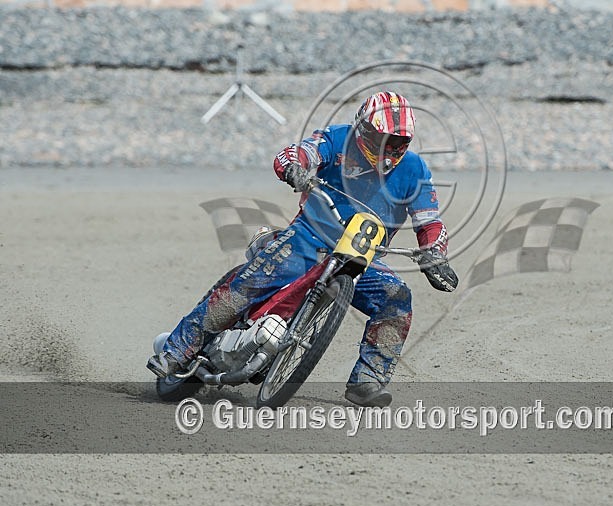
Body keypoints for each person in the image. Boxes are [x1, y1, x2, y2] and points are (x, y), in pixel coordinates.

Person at [147, 91, 458, 406]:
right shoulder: (337, 139)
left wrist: (434, 254)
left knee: (397, 298)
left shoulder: (415, 170)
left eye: (398, 143)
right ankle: (176, 351)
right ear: (363, 129)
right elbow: (299, 153)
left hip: (363, 260)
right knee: (243, 288)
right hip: (308, 238)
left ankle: (368, 381)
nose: (389, 150)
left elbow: (429, 220)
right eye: (382, 139)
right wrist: (295, 167)